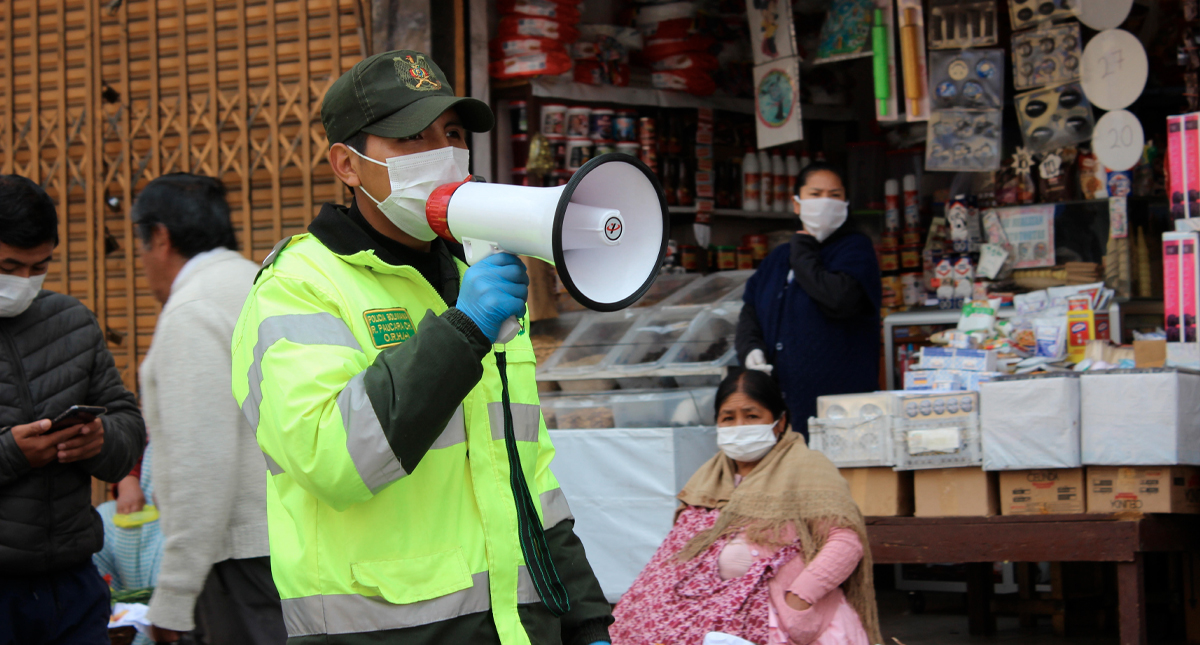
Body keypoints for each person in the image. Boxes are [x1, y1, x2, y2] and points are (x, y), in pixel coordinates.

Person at [230, 50, 613, 645]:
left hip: (516, 627)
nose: (442, 154)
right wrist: (463, 330)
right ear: (347, 165)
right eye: (412, 137)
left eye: (452, 134)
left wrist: (586, 620)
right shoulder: (300, 285)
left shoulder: (471, 276)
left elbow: (527, 476)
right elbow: (330, 459)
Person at [610, 369, 882, 645]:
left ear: (779, 422)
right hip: (707, 618)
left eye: (752, 416)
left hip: (783, 624)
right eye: (728, 418)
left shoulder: (806, 468)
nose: (739, 426)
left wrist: (799, 597)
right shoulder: (709, 477)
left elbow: (845, 543)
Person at [130, 174, 284, 645]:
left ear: (160, 238)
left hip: (240, 561)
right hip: (295, 547)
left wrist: (173, 597)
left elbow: (201, 463)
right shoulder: (261, 284)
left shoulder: (192, 310)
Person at [0, 174, 146, 645]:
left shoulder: (73, 322)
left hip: (73, 585)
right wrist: (12, 454)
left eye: (39, 266)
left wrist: (102, 439)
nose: (23, 281)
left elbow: (127, 424)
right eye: (9, 266)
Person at [736, 162, 882, 432]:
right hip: (783, 406)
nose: (825, 202)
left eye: (835, 195)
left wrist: (803, 250)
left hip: (841, 408)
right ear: (797, 203)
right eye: (815, 194)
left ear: (845, 203)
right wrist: (751, 349)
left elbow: (838, 299)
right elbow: (751, 309)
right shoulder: (778, 258)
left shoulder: (855, 249)